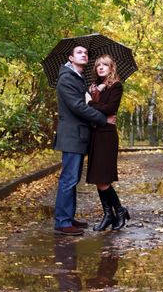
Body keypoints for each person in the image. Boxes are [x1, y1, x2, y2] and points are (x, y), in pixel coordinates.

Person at [54, 46, 116, 236]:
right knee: (69, 179)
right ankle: (62, 222)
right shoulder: (66, 79)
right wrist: (102, 119)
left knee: (73, 179)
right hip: (72, 135)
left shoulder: (78, 79)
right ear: (70, 57)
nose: (84, 54)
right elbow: (78, 107)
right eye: (79, 52)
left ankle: (68, 217)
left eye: (86, 53)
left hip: (80, 136)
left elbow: (87, 101)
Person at [86, 54, 130, 231]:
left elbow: (110, 109)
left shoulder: (116, 87)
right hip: (95, 134)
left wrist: (90, 104)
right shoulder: (95, 88)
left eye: (104, 65)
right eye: (98, 65)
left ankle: (118, 211)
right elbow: (94, 111)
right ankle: (109, 214)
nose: (100, 68)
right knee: (98, 179)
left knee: (103, 178)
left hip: (107, 136)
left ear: (111, 68)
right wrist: (93, 97)